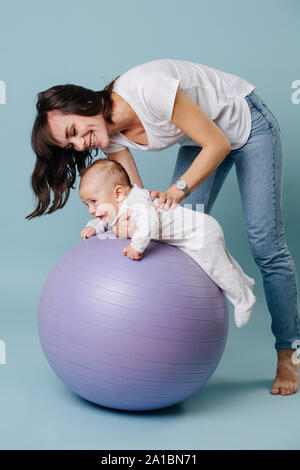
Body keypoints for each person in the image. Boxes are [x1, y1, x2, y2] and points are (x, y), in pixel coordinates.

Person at [26, 58, 300, 395]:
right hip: (203, 143)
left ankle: (289, 353)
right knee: (177, 231)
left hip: (247, 125)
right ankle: (197, 319)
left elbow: (219, 144)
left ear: (85, 103)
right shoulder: (109, 139)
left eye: (73, 132)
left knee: (265, 245)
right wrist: (124, 223)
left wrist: (175, 191)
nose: (81, 145)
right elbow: (136, 199)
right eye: (71, 145)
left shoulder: (148, 87)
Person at [79, 158, 256, 328]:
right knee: (225, 260)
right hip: (199, 230)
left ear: (118, 193)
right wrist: (93, 226)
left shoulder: (136, 202)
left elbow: (150, 222)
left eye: (94, 202)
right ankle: (244, 282)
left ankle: (243, 300)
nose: (91, 210)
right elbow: (107, 219)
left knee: (218, 269)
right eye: (87, 205)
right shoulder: (120, 202)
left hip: (199, 232)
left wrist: (136, 246)